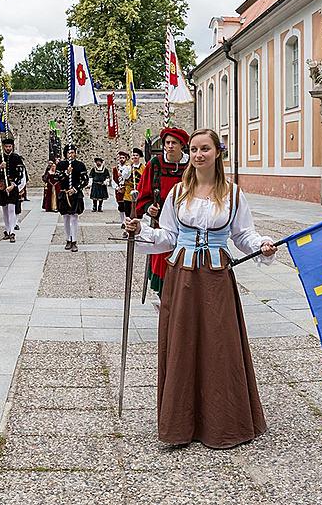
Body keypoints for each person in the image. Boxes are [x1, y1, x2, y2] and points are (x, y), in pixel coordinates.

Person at [124, 128, 276, 449]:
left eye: (204, 149)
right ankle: (182, 423)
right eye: (193, 149)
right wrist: (143, 231)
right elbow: (167, 234)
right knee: (182, 342)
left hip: (217, 277)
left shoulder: (233, 195)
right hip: (182, 277)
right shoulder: (178, 192)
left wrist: (261, 244)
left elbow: (243, 235)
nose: (198, 155)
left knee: (220, 344)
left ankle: (223, 422)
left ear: (217, 152)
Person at [134, 127, 190, 296]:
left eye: (174, 143)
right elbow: (143, 193)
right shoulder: (155, 165)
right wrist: (148, 207)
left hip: (188, 222)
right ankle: (165, 296)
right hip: (161, 222)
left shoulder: (191, 165)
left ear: (182, 145)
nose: (170, 146)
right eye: (167, 143)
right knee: (163, 258)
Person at [0, 137, 25, 242]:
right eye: (6, 146)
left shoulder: (17, 158)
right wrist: (0, 167)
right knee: (5, 209)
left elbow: (20, 174)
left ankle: (12, 232)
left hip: (12, 186)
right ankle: (6, 230)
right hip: (2, 186)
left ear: (12, 147)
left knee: (12, 209)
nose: (8, 148)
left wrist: (14, 185)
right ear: (3, 147)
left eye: (10, 146)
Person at [57, 145, 88, 252]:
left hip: (75, 194)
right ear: (65, 154)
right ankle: (68, 239)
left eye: (72, 152)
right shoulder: (61, 164)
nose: (71, 154)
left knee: (74, 217)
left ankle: (74, 240)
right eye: (69, 152)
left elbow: (85, 180)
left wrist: (75, 189)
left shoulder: (80, 165)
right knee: (65, 217)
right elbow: (57, 178)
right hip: (64, 193)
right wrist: (66, 173)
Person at [111, 151, 133, 228]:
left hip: (126, 189)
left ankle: (127, 221)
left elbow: (127, 177)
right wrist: (117, 187)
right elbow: (113, 179)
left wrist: (123, 174)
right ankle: (122, 221)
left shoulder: (128, 168)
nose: (121, 159)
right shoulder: (115, 169)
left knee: (127, 206)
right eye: (120, 158)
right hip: (118, 190)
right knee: (121, 206)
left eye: (123, 158)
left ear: (126, 159)